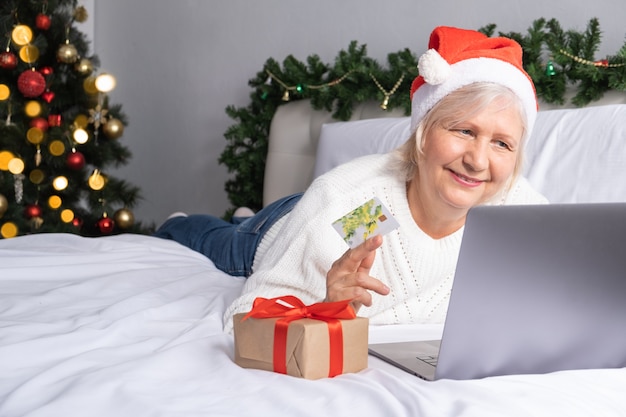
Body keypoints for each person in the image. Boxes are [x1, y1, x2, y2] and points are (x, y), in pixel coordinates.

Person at [155, 26, 548, 333]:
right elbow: (245, 318)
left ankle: (246, 217)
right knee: (224, 241)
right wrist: (326, 308)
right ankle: (190, 223)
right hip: (281, 229)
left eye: (501, 143)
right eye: (463, 131)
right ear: (424, 135)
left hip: (316, 213)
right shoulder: (367, 210)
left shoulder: (517, 213)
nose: (478, 161)